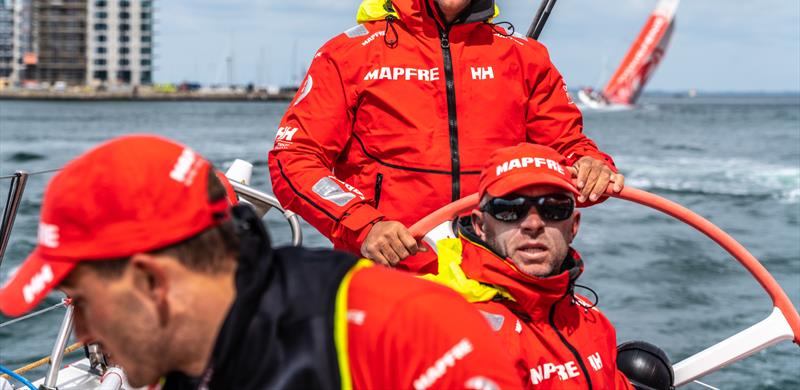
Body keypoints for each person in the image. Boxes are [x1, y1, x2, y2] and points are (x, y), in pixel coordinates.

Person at [268, 0, 623, 272]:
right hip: (390, 272)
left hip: (499, 273)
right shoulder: (349, 55)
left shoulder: (525, 58)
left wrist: (591, 166)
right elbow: (293, 159)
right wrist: (362, 224)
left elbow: (567, 147)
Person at [0, 135, 523, 390]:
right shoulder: (189, 359)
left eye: (85, 302)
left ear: (151, 283)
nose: (82, 330)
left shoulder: (404, 333)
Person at [422, 142, 672, 390]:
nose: (532, 224)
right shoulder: (460, 336)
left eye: (553, 208)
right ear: (480, 226)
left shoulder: (591, 321)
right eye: (509, 209)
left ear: (573, 226)